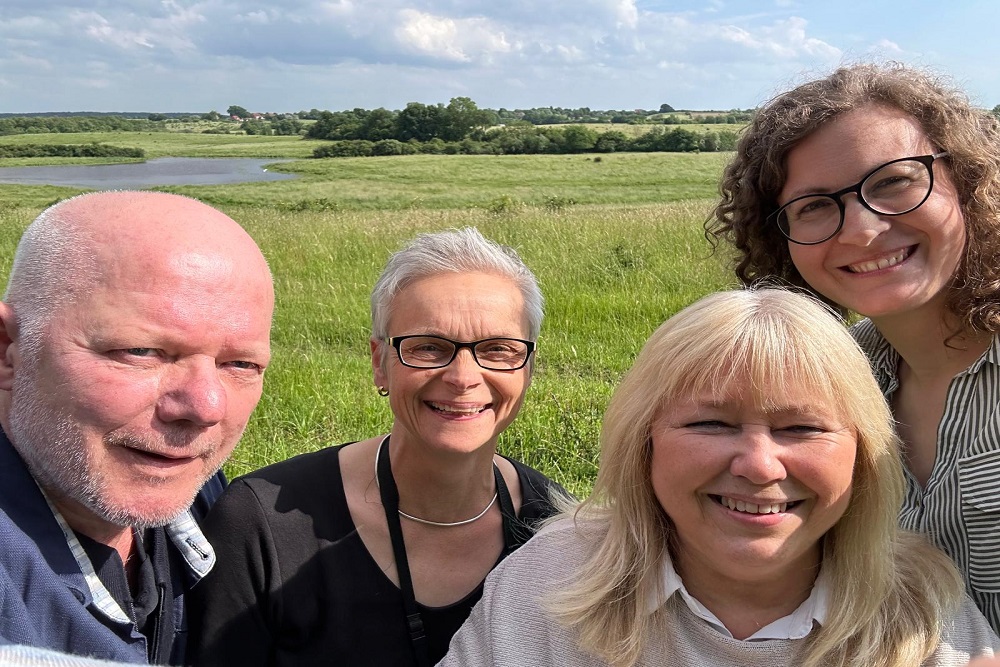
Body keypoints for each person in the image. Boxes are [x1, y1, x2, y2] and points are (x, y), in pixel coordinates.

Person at [441, 288, 1000, 667]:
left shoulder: (924, 610)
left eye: (803, 428)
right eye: (711, 423)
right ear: (645, 441)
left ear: (864, 453)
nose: (759, 465)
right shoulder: (549, 581)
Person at [705, 62, 1000, 632]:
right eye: (813, 205)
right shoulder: (833, 376)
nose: (862, 230)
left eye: (893, 182)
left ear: (967, 181)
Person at [189, 227, 564, 666]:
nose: (464, 377)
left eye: (498, 349)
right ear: (379, 362)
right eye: (428, 347)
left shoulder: (557, 531)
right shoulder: (260, 524)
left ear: (528, 369)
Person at [0, 191, 274, 664]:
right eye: (141, 352)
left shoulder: (197, 496)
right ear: (8, 350)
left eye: (241, 364)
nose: (205, 406)